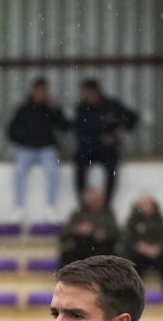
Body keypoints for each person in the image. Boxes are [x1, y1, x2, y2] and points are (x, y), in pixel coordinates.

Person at [7, 78, 70, 222]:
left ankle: (50, 206)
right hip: (27, 149)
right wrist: (24, 140)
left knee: (53, 171)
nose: (41, 94)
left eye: (44, 91)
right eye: (39, 91)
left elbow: (65, 126)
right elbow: (11, 130)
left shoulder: (51, 109)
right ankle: (19, 206)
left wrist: (55, 108)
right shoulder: (23, 109)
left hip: (47, 148)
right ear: (33, 91)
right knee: (19, 170)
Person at [72, 78, 138, 202]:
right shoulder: (81, 109)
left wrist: (119, 131)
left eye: (89, 92)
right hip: (88, 149)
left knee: (112, 170)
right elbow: (79, 133)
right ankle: (83, 203)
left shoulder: (111, 105)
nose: (88, 96)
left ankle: (106, 204)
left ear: (96, 92)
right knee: (79, 167)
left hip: (108, 150)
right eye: (85, 93)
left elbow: (133, 117)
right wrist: (97, 139)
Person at [122, 196, 163, 293]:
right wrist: (140, 247)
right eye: (144, 204)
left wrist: (158, 248)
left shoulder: (159, 219)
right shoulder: (133, 220)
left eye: (148, 204)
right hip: (139, 252)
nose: (146, 207)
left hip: (156, 252)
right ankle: (135, 291)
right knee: (135, 262)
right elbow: (127, 240)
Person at [61, 187, 119, 265]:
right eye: (91, 200)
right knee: (69, 254)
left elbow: (116, 232)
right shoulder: (78, 214)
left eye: (96, 200)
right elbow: (65, 233)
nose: (94, 202)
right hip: (81, 246)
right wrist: (77, 230)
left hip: (102, 247)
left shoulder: (108, 214)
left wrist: (105, 234)